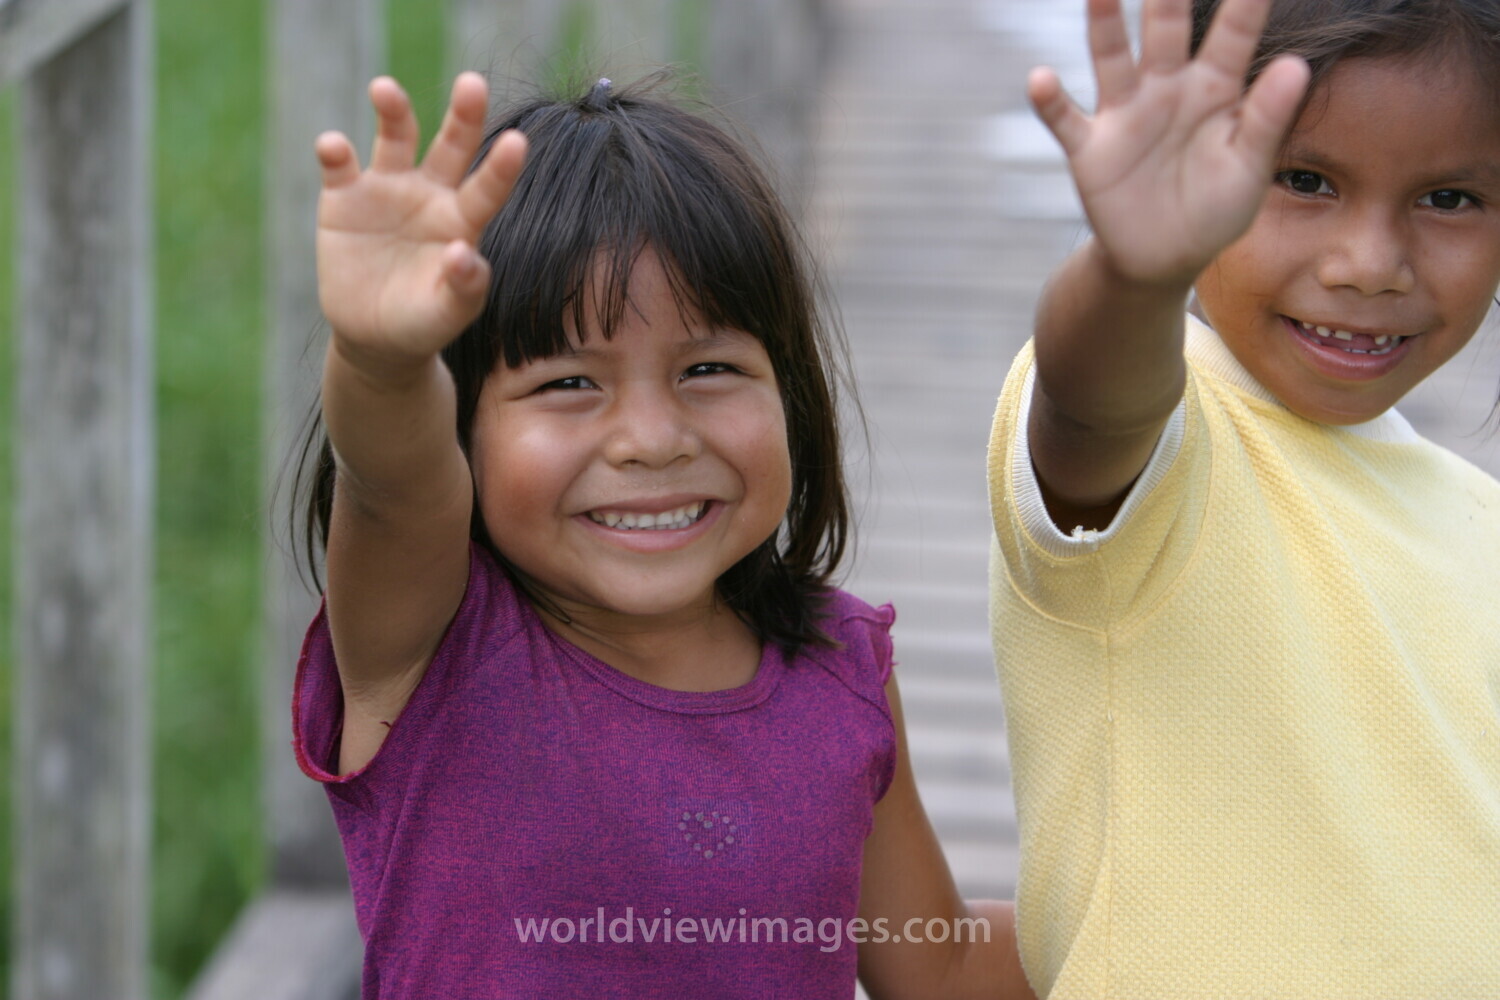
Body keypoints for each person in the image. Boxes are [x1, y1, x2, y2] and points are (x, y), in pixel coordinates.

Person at [291, 71, 1034, 999]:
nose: (652, 439)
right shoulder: (433, 649)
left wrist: (1173, 912)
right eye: (568, 384)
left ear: (792, 393)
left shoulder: (842, 671)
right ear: (460, 427)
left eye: (710, 368)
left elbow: (942, 963)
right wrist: (382, 361)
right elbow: (397, 488)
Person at [987, 0, 1500, 994]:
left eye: (1448, 199)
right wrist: (1135, 277)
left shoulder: (1480, 523)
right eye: (1303, 181)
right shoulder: (1171, 442)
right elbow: (1092, 409)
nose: (1370, 265)